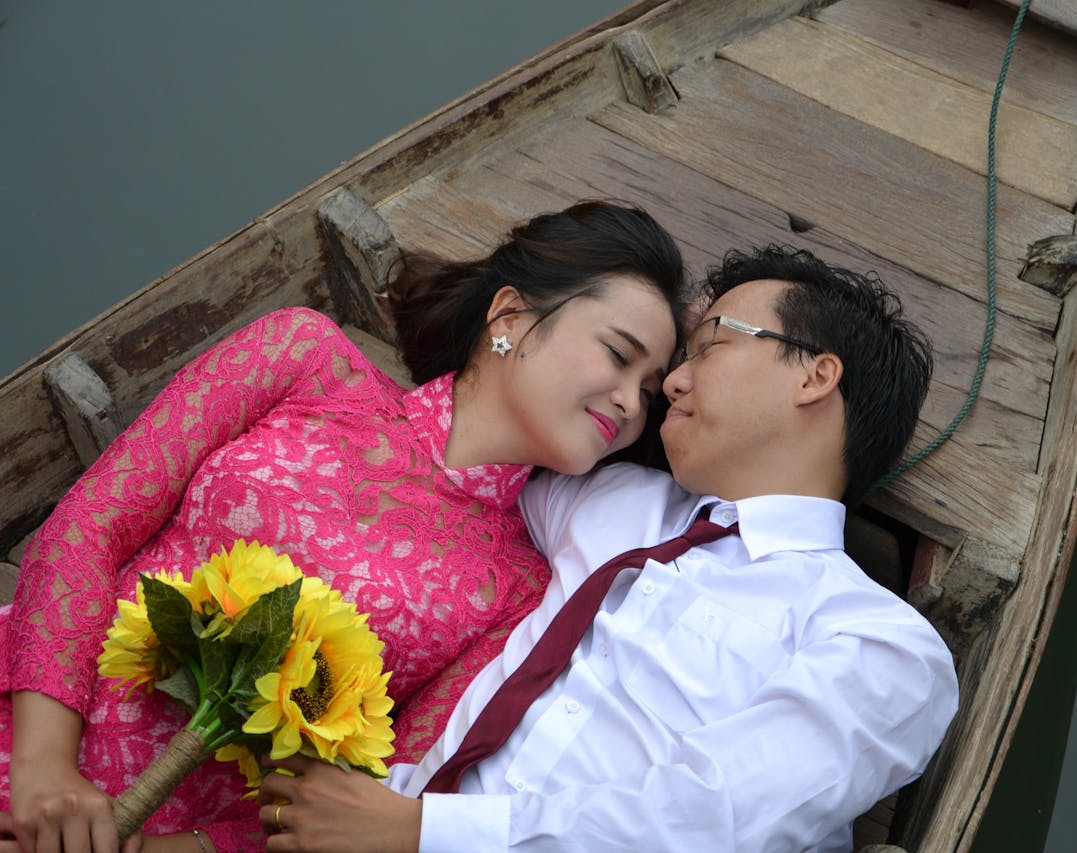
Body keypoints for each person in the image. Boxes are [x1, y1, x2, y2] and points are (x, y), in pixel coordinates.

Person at [0, 200, 686, 853]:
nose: (630, 402)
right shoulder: (304, 357)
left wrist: (146, 847)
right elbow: (91, 526)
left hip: (158, 832)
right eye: (619, 355)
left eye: (650, 390)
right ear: (510, 315)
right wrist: (42, 769)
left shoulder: (517, 592)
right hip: (31, 715)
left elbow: (357, 801)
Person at [255, 245, 960, 852]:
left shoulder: (882, 643)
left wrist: (426, 832)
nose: (673, 382)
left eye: (712, 344)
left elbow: (719, 819)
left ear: (814, 375)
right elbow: (460, 459)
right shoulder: (609, 497)